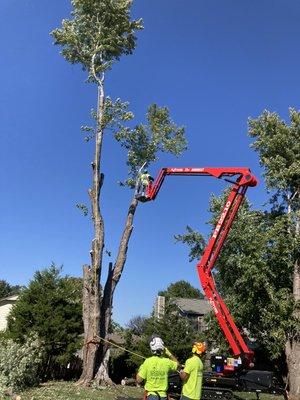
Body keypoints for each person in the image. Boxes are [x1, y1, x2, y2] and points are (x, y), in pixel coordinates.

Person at [136, 336, 179, 400]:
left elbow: (139, 380)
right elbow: (178, 364)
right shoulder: (167, 361)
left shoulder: (147, 362)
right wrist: (168, 353)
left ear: (152, 348)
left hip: (152, 396)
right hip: (163, 396)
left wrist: (141, 369)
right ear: (162, 348)